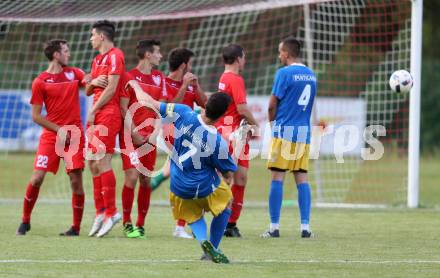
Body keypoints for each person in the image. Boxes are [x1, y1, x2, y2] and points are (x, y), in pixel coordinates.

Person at [128, 79, 236, 263]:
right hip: (203, 186)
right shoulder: (218, 142)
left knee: (191, 213)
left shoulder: (184, 112)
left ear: (205, 105)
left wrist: (135, 85)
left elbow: (149, 103)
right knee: (226, 203)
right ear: (220, 117)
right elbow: (227, 173)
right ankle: (213, 247)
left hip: (178, 185)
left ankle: (203, 241)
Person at [16, 39, 86, 236]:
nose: (69, 54)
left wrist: (95, 80)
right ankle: (25, 220)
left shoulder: (74, 73)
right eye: (66, 51)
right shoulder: (40, 81)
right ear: (56, 55)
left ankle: (76, 228)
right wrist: (58, 130)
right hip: (51, 136)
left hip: (74, 135)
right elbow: (36, 116)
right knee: (37, 178)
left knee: (75, 181)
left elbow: (88, 84)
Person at [261, 36, 317, 239]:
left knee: (277, 178)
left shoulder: (283, 73)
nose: (279, 55)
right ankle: (305, 228)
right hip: (303, 132)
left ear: (286, 53)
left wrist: (272, 125)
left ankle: (274, 227)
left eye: (280, 51)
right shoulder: (311, 75)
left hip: (284, 131)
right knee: (302, 179)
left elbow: (271, 104)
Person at [150, 47, 207, 238]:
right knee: (187, 174)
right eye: (190, 63)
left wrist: (196, 86)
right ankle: (181, 226)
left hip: (188, 134)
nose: (191, 67)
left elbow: (205, 104)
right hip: (171, 132)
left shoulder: (191, 83)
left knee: (184, 172)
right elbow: (168, 110)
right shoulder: (165, 83)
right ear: (184, 65)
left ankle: (152, 183)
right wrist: (183, 86)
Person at [119, 39, 168, 238]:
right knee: (131, 177)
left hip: (151, 137)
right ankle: (126, 223)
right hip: (130, 136)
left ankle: (141, 224)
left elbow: (161, 107)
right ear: (148, 54)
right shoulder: (129, 77)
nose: (160, 56)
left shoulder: (159, 77)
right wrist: (134, 132)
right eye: (157, 52)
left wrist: (155, 132)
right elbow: (123, 107)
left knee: (146, 180)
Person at [214, 44, 258, 237]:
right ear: (239, 59)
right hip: (232, 136)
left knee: (238, 177)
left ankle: (229, 224)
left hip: (231, 134)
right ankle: (225, 221)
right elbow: (242, 109)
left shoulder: (223, 77)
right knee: (231, 178)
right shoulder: (235, 79)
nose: (245, 60)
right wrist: (256, 125)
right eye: (244, 57)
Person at [86, 20, 125, 237]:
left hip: (108, 114)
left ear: (102, 36)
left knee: (102, 160)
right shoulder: (97, 59)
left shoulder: (115, 55)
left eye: (93, 35)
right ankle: (101, 211)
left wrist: (94, 110)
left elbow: (111, 88)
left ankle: (112, 212)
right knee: (92, 163)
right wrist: (92, 83)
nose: (91, 38)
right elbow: (89, 90)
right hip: (97, 112)